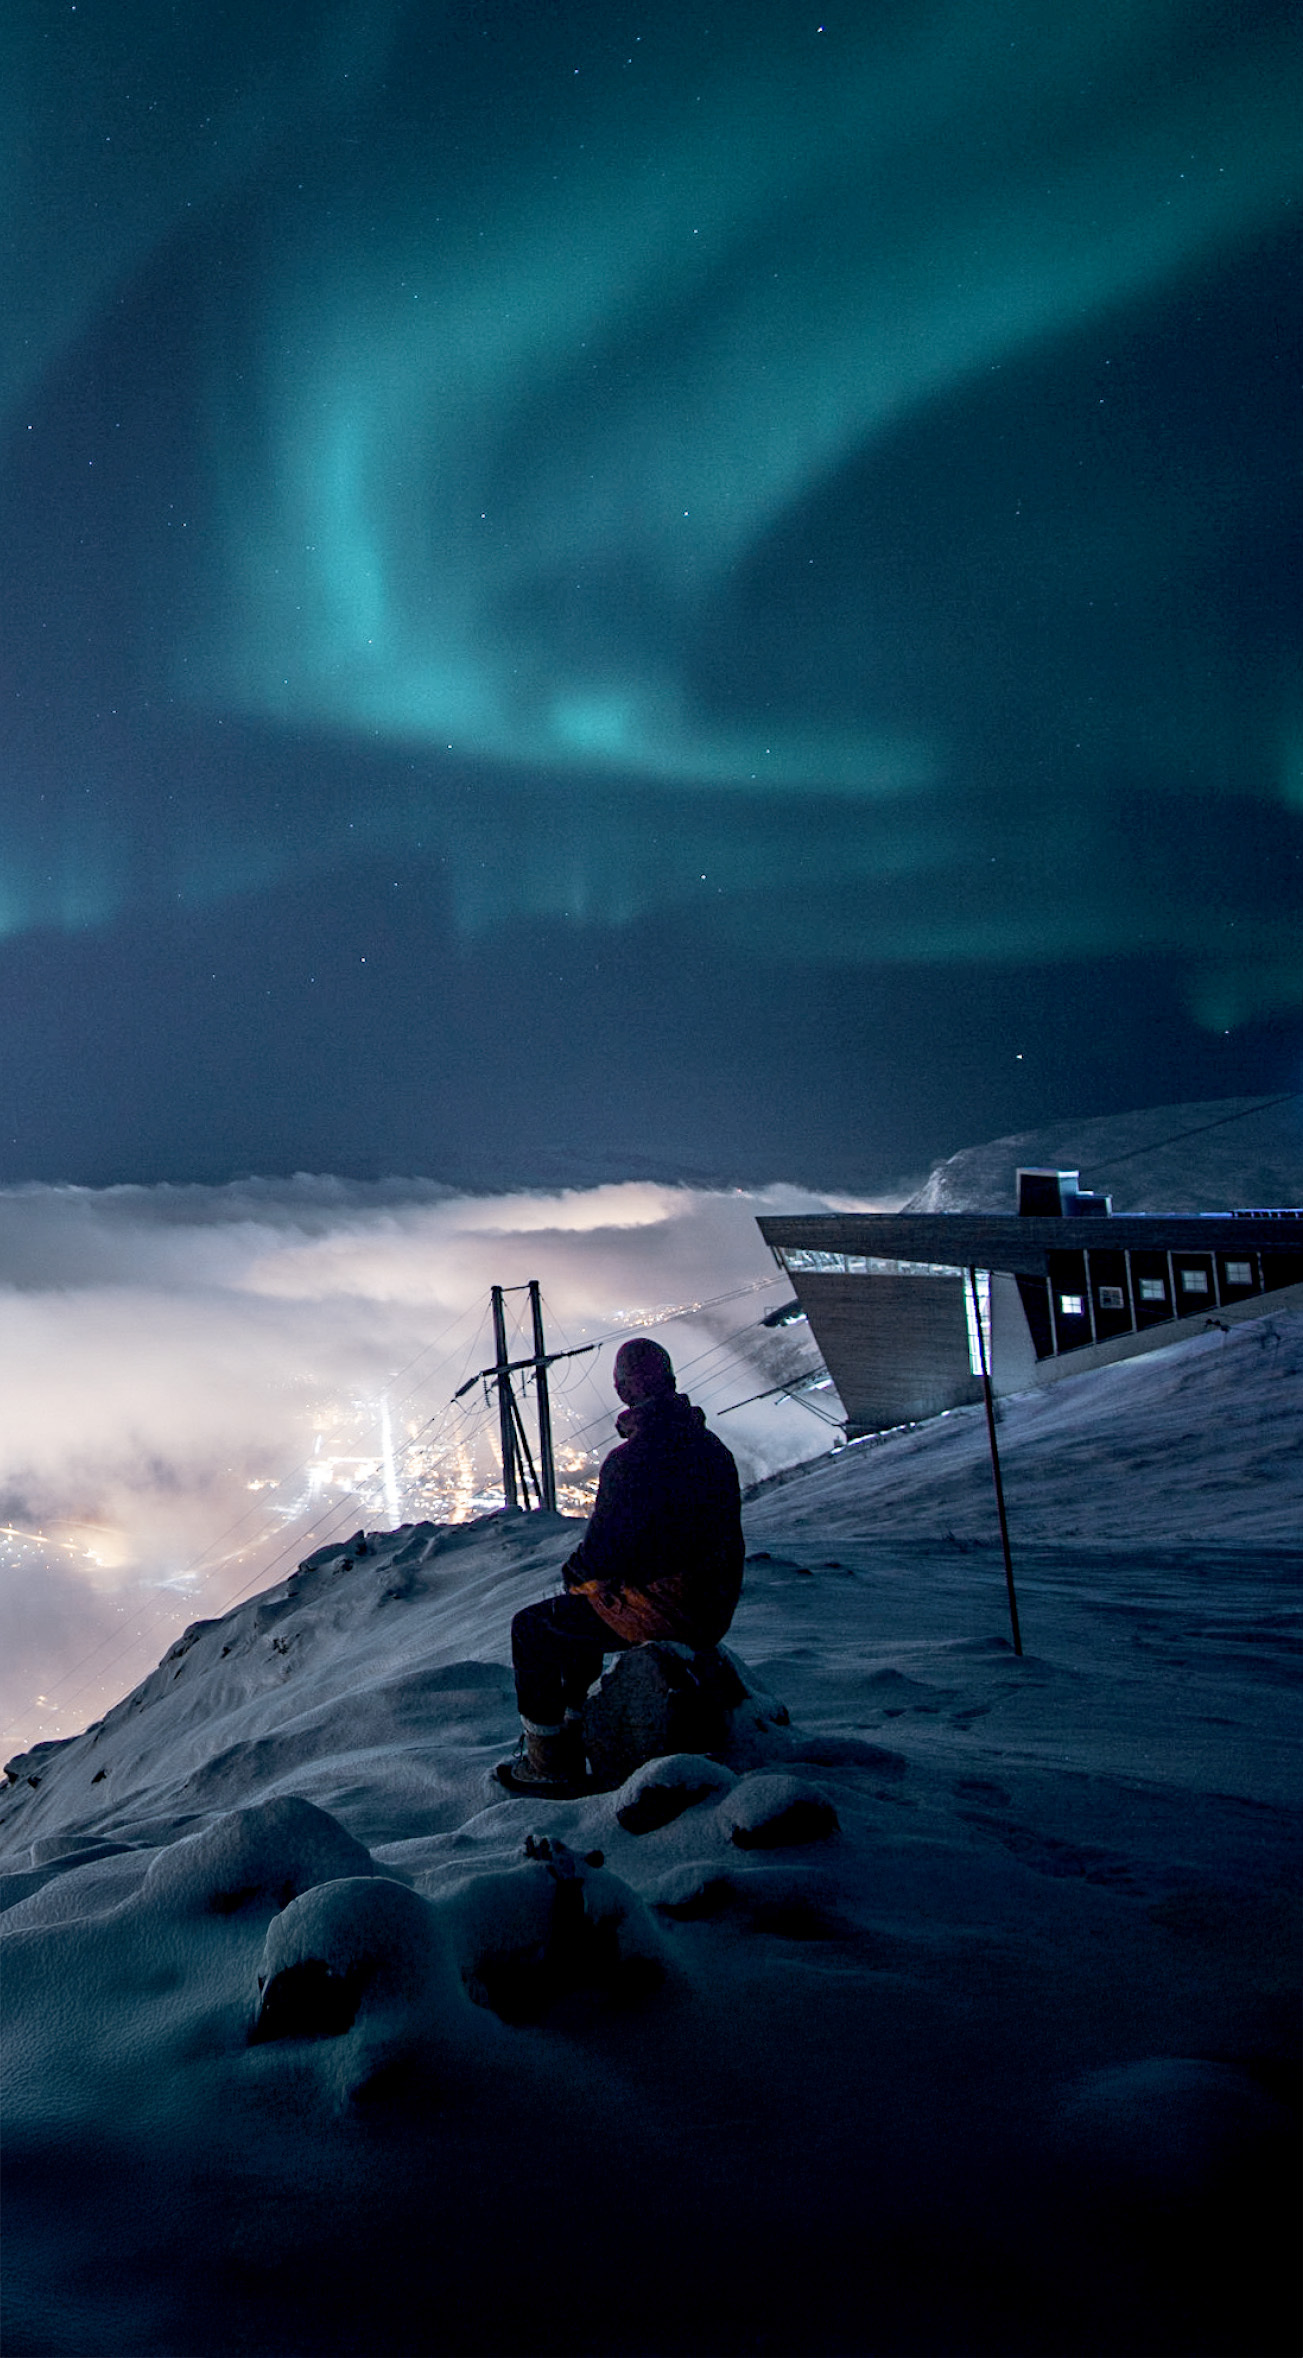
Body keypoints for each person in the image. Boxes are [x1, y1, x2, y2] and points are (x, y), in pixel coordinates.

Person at [495, 1335, 745, 1795]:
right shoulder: (711, 1447)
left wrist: (575, 1575)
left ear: (624, 1389)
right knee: (590, 1599)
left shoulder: (631, 1461)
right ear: (670, 1381)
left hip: (669, 1609)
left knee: (535, 1627)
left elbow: (601, 1554)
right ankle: (579, 1724)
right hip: (713, 1603)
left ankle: (548, 1760)